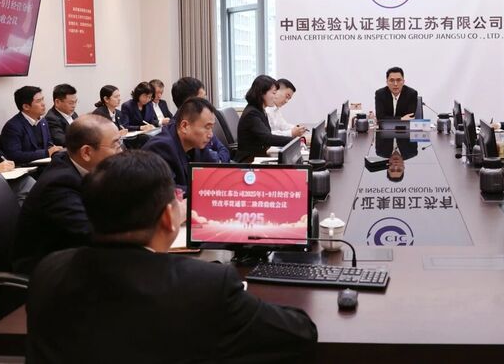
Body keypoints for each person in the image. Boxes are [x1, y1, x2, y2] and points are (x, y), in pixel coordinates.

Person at [26, 150, 318, 363]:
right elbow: (300, 333)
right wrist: (238, 299)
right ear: (169, 217)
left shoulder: (48, 270)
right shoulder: (206, 285)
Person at [12, 115, 122, 275]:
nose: (121, 151)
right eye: (115, 145)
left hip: (75, 252)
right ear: (86, 152)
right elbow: (89, 232)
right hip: (46, 270)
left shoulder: (81, 165)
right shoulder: (58, 184)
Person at [142, 97, 217, 192]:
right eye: (207, 127)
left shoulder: (197, 143)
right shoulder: (161, 148)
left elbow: (214, 170)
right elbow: (169, 191)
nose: (211, 134)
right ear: (184, 126)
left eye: (212, 128)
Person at [169, 76, 230, 162]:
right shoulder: (177, 132)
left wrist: (219, 160)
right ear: (190, 103)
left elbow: (223, 149)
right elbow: (209, 159)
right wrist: (217, 160)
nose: (206, 103)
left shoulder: (202, 123)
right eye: (202, 99)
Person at [1, 86, 64, 165]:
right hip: (27, 167)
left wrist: (54, 149)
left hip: (46, 164)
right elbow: (14, 155)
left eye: (43, 99)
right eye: (38, 101)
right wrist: (46, 153)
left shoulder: (43, 121)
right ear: (26, 106)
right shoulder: (12, 127)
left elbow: (49, 143)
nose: (43, 104)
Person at [237, 75, 295, 159]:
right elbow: (268, 138)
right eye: (273, 93)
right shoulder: (252, 113)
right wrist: (293, 141)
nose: (275, 96)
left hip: (259, 156)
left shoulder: (260, 110)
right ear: (262, 93)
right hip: (249, 160)